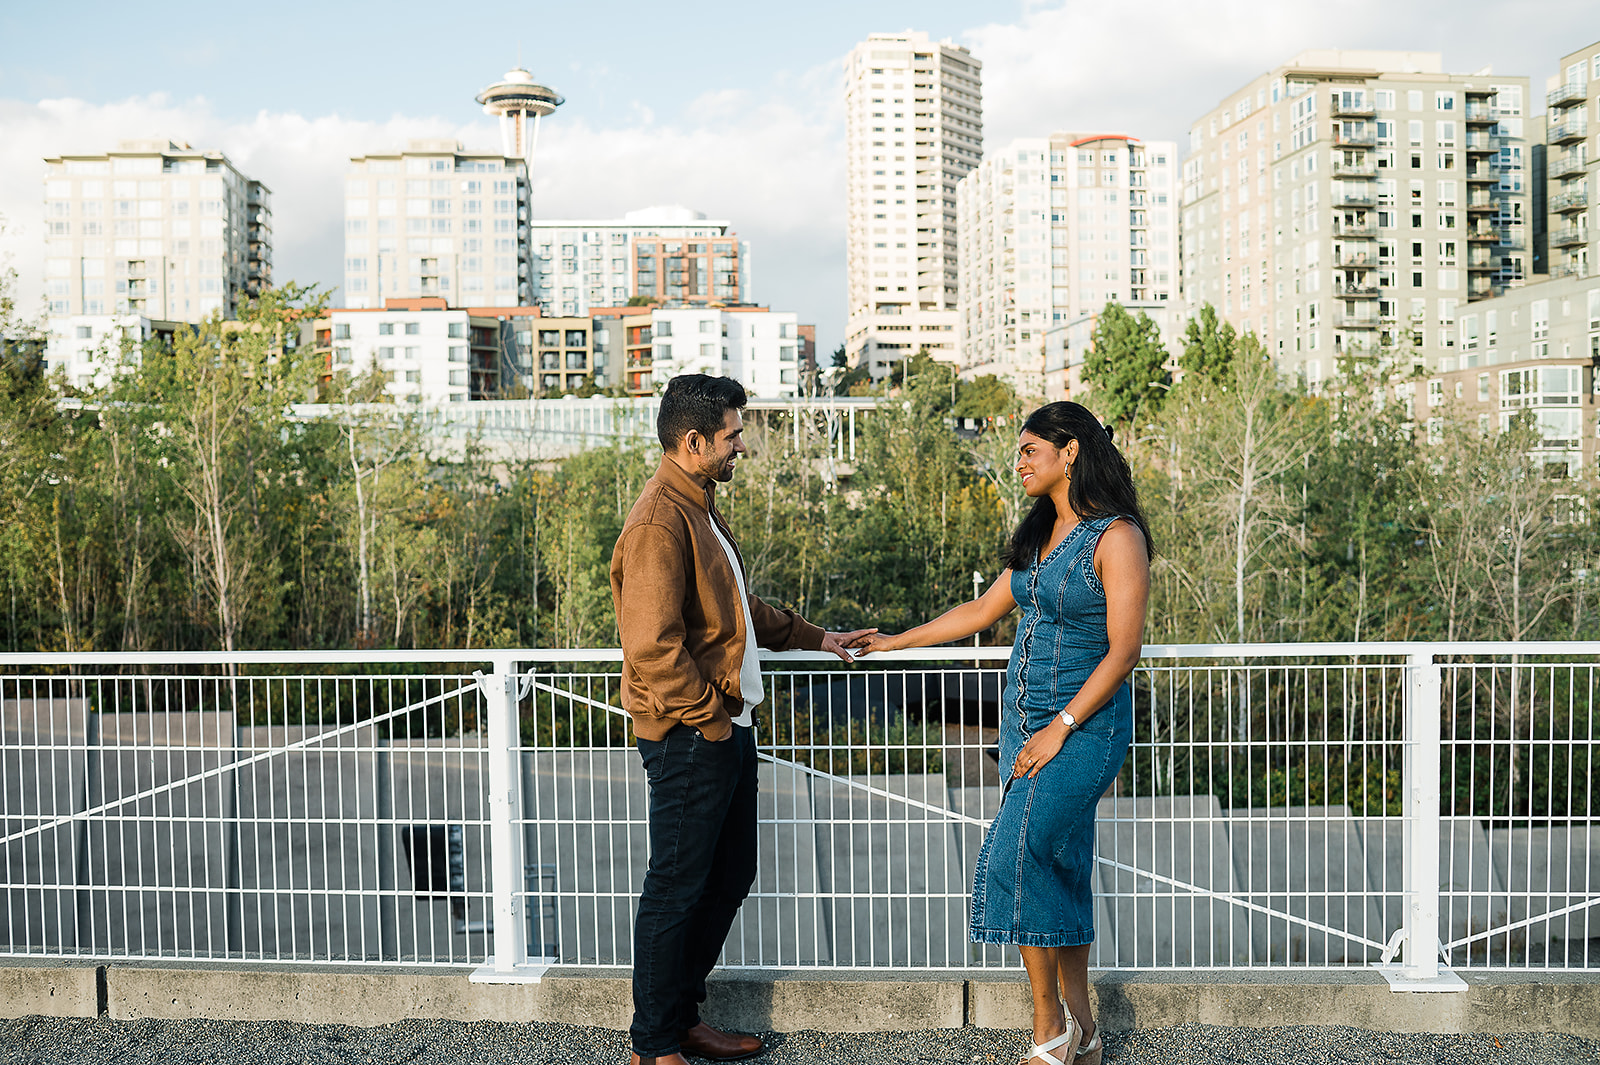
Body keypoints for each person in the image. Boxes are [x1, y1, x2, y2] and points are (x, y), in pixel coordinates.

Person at [856, 401, 1152, 1065]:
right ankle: (1086, 1029)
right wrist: (893, 640)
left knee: (1012, 855)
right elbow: (982, 610)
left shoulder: (1117, 537)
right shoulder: (1042, 533)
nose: (1017, 462)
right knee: (1061, 865)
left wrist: (1060, 728)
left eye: (1028, 450)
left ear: (1069, 450)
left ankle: (1049, 1026)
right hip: (1022, 724)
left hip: (1082, 728)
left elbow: (1123, 650)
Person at [610, 373, 873, 1065]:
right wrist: (712, 723)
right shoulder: (658, 522)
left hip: (724, 725)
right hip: (691, 733)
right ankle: (654, 1043)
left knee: (727, 876)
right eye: (731, 436)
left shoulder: (698, 507)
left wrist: (818, 637)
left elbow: (738, 610)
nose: (741, 448)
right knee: (677, 884)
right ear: (692, 440)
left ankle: (681, 1016)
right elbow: (652, 645)